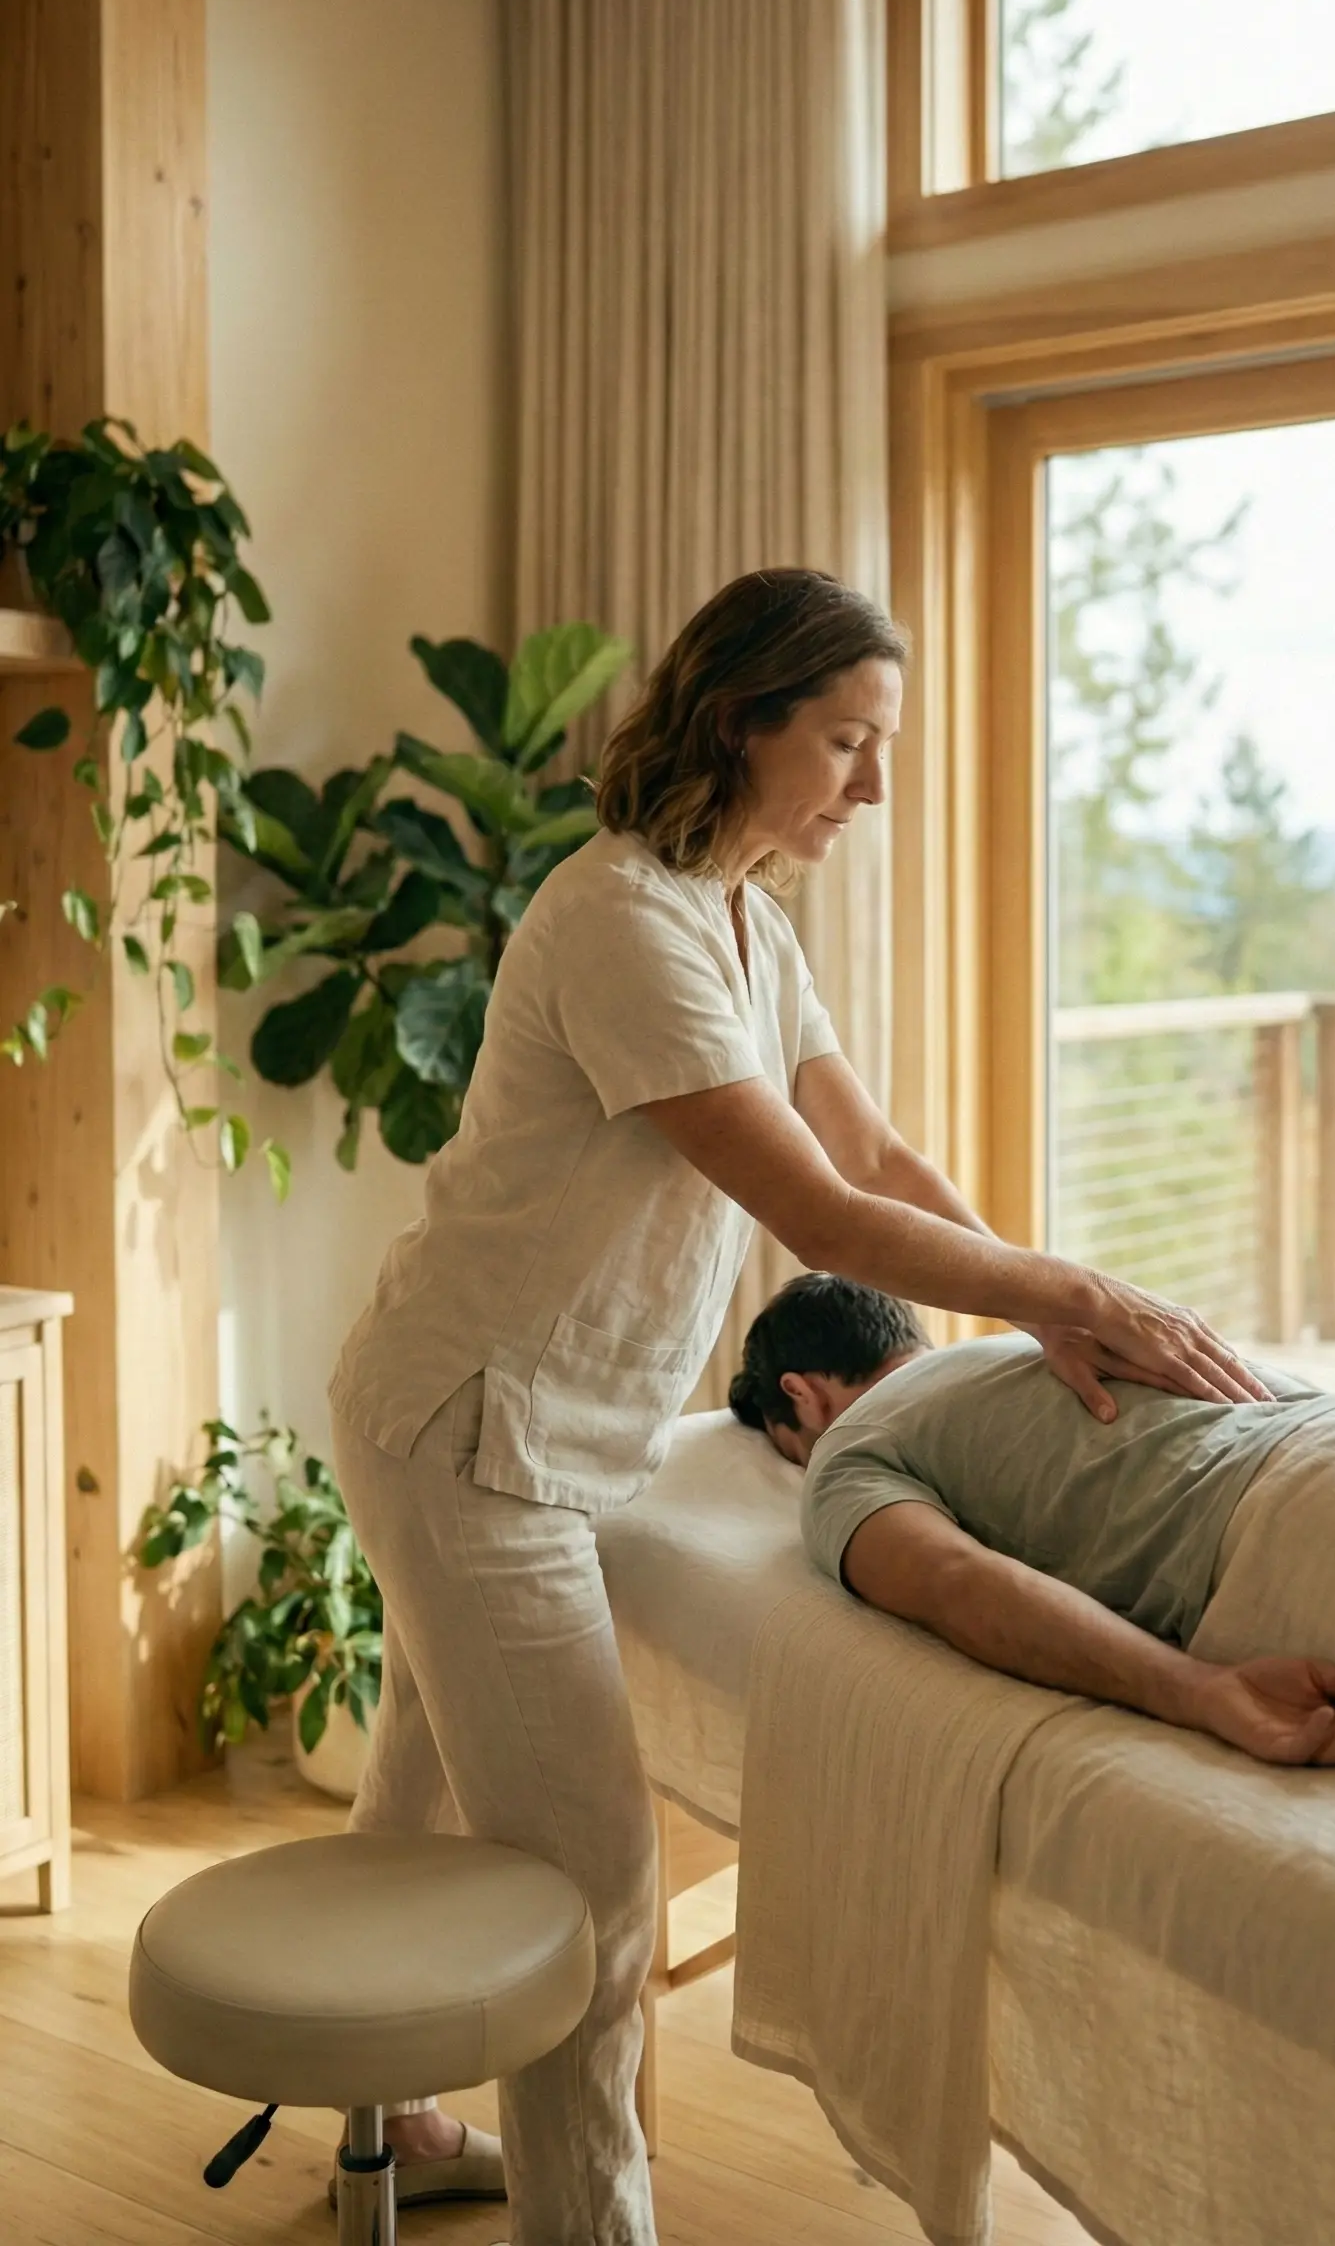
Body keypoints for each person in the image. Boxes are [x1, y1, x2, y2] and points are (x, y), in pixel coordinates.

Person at [327, 568, 1273, 2246]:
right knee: (593, 1889)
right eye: (846, 740)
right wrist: (1073, 1295)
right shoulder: (622, 916)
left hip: (536, 1424)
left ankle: (379, 2115)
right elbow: (821, 1219)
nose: (875, 785)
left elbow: (882, 1160)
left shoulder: (751, 918)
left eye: (880, 743)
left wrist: (1041, 1308)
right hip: (475, 1437)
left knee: (419, 1799)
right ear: (737, 719)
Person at [728, 1270, 1335, 1768]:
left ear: (803, 1396)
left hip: (1296, 1511)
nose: (804, 1467)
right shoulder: (1037, 1345)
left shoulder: (846, 1448)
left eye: (792, 1450)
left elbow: (955, 1580)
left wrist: (1202, 1691)